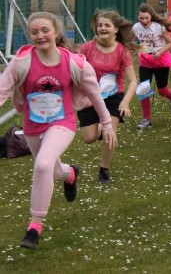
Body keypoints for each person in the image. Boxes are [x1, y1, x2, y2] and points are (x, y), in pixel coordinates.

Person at [0, 12, 117, 250]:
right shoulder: (21, 62)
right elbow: (2, 91)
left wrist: (106, 123)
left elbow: (94, 94)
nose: (40, 36)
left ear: (56, 32)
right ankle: (69, 174)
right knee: (51, 171)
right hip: (33, 124)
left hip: (63, 122)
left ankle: (35, 227)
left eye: (45, 30)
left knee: (42, 164)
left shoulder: (74, 63)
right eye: (34, 32)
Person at [78, 10, 137, 183]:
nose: (102, 28)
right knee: (89, 138)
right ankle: (100, 128)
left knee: (109, 131)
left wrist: (125, 102)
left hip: (113, 96)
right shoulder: (87, 48)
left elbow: (133, 81)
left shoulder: (122, 51)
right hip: (89, 96)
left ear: (116, 29)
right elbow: (75, 70)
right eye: (100, 25)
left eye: (107, 25)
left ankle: (104, 170)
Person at [133, 3, 171, 129]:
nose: (144, 21)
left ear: (151, 17)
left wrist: (159, 53)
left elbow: (170, 43)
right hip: (145, 60)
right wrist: (136, 47)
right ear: (137, 17)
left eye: (146, 18)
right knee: (144, 88)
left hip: (160, 59)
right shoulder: (136, 27)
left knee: (162, 89)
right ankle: (147, 119)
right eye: (141, 18)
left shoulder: (158, 27)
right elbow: (131, 41)